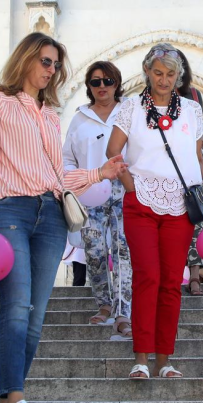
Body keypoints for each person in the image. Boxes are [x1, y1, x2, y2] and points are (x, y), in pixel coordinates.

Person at [0, 33, 127, 403]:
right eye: (45, 61)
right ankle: (16, 399)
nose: (51, 70)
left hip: (50, 215)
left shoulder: (50, 114)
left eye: (55, 65)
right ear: (27, 58)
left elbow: (55, 175)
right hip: (6, 210)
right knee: (16, 306)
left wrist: (100, 172)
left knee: (35, 314)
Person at [106, 42, 203, 380]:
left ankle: (163, 360)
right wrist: (131, 187)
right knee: (147, 277)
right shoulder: (130, 108)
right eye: (158, 73)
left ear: (178, 76)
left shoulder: (192, 110)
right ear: (147, 72)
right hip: (140, 203)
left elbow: (197, 162)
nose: (164, 79)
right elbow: (113, 153)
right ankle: (141, 358)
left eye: (170, 74)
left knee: (170, 283)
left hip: (179, 206)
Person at [62, 60, 133, 340]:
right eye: (95, 82)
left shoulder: (130, 111)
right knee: (94, 252)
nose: (102, 86)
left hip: (123, 190)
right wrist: (77, 180)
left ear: (117, 83)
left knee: (124, 250)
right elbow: (67, 158)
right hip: (90, 192)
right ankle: (104, 304)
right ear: (89, 86)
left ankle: (123, 310)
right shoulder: (79, 118)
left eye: (107, 81)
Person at [175, 49, 203, 297]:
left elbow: (202, 128)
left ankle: (195, 277)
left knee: (195, 219)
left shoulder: (194, 95)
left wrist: (200, 142)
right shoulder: (148, 98)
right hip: (161, 170)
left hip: (190, 168)